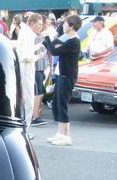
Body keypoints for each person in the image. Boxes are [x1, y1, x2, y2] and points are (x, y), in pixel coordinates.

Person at [43, 14, 82, 146]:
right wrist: (47, 40)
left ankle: (66, 136)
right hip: (61, 75)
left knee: (62, 104)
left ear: (71, 26)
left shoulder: (74, 41)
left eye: (65, 24)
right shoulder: (67, 39)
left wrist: (47, 37)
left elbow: (54, 51)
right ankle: (60, 133)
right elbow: (53, 46)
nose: (63, 25)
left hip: (67, 76)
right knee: (57, 104)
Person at [17, 13, 43, 133]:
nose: (40, 27)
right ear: (31, 23)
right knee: (28, 100)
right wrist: (38, 56)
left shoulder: (25, 32)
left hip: (24, 67)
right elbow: (26, 56)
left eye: (41, 24)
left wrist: (37, 46)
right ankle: (25, 129)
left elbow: (24, 50)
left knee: (24, 98)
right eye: (38, 24)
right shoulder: (28, 34)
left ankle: (23, 128)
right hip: (26, 67)